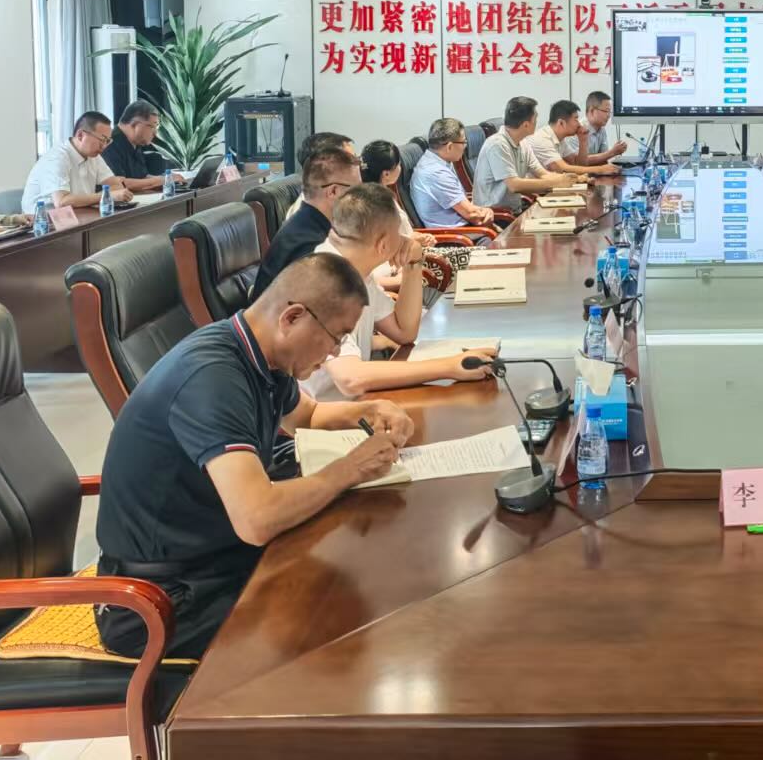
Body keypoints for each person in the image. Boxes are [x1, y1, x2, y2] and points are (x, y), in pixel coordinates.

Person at [94, 252, 413, 659]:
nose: (335, 353)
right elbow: (257, 519)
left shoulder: (262, 354)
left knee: (357, 565)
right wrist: (351, 468)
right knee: (332, 617)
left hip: (213, 555)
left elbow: (308, 415)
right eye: (336, 337)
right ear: (292, 317)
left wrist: (369, 410)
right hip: (159, 600)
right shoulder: (212, 378)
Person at [301, 185, 496, 400]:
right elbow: (351, 379)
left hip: (356, 403)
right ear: (383, 245)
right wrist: (449, 367)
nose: (404, 239)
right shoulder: (326, 283)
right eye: (399, 232)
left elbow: (404, 331)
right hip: (329, 412)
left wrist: (414, 262)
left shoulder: (355, 270)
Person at [250, 145, 363, 300]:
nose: (362, 197)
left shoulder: (310, 222)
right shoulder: (310, 244)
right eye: (357, 190)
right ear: (333, 191)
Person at [470, 97, 574, 212]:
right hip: (494, 214)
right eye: (535, 119)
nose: (537, 123)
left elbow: (543, 174)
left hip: (514, 210)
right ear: (526, 125)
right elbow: (514, 185)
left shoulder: (523, 143)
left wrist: (572, 179)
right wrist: (555, 183)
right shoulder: (497, 145)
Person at [20, 111, 134, 214]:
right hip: (42, 223)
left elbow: (116, 185)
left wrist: (103, 196)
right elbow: (62, 202)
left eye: (107, 141)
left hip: (77, 216)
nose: (104, 146)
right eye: (102, 140)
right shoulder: (57, 158)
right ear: (80, 135)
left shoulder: (94, 156)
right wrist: (104, 196)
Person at [410, 119, 496, 229]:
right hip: (454, 234)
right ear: (449, 147)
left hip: (463, 227)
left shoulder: (439, 161)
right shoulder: (436, 172)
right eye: (464, 142)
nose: (465, 146)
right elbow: (471, 214)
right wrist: (487, 211)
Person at [101, 101, 182, 193]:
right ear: (134, 124)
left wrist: (168, 179)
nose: (155, 133)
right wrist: (162, 180)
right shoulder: (109, 143)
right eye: (152, 126)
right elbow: (119, 183)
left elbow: (142, 177)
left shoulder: (136, 142)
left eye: (156, 127)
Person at [525, 100, 620, 176]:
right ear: (561, 123)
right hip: (535, 191)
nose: (579, 124)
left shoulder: (560, 140)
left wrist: (583, 141)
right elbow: (562, 168)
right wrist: (600, 169)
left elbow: (578, 164)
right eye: (576, 119)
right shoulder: (543, 138)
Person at [359, 140, 415, 232]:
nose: (400, 167)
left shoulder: (360, 194)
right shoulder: (383, 202)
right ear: (386, 174)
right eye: (399, 164)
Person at [563, 91, 628, 166]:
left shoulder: (601, 129)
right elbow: (578, 162)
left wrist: (613, 153)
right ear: (592, 111)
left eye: (610, 112)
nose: (609, 115)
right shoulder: (576, 131)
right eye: (606, 111)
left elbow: (604, 158)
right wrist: (612, 152)